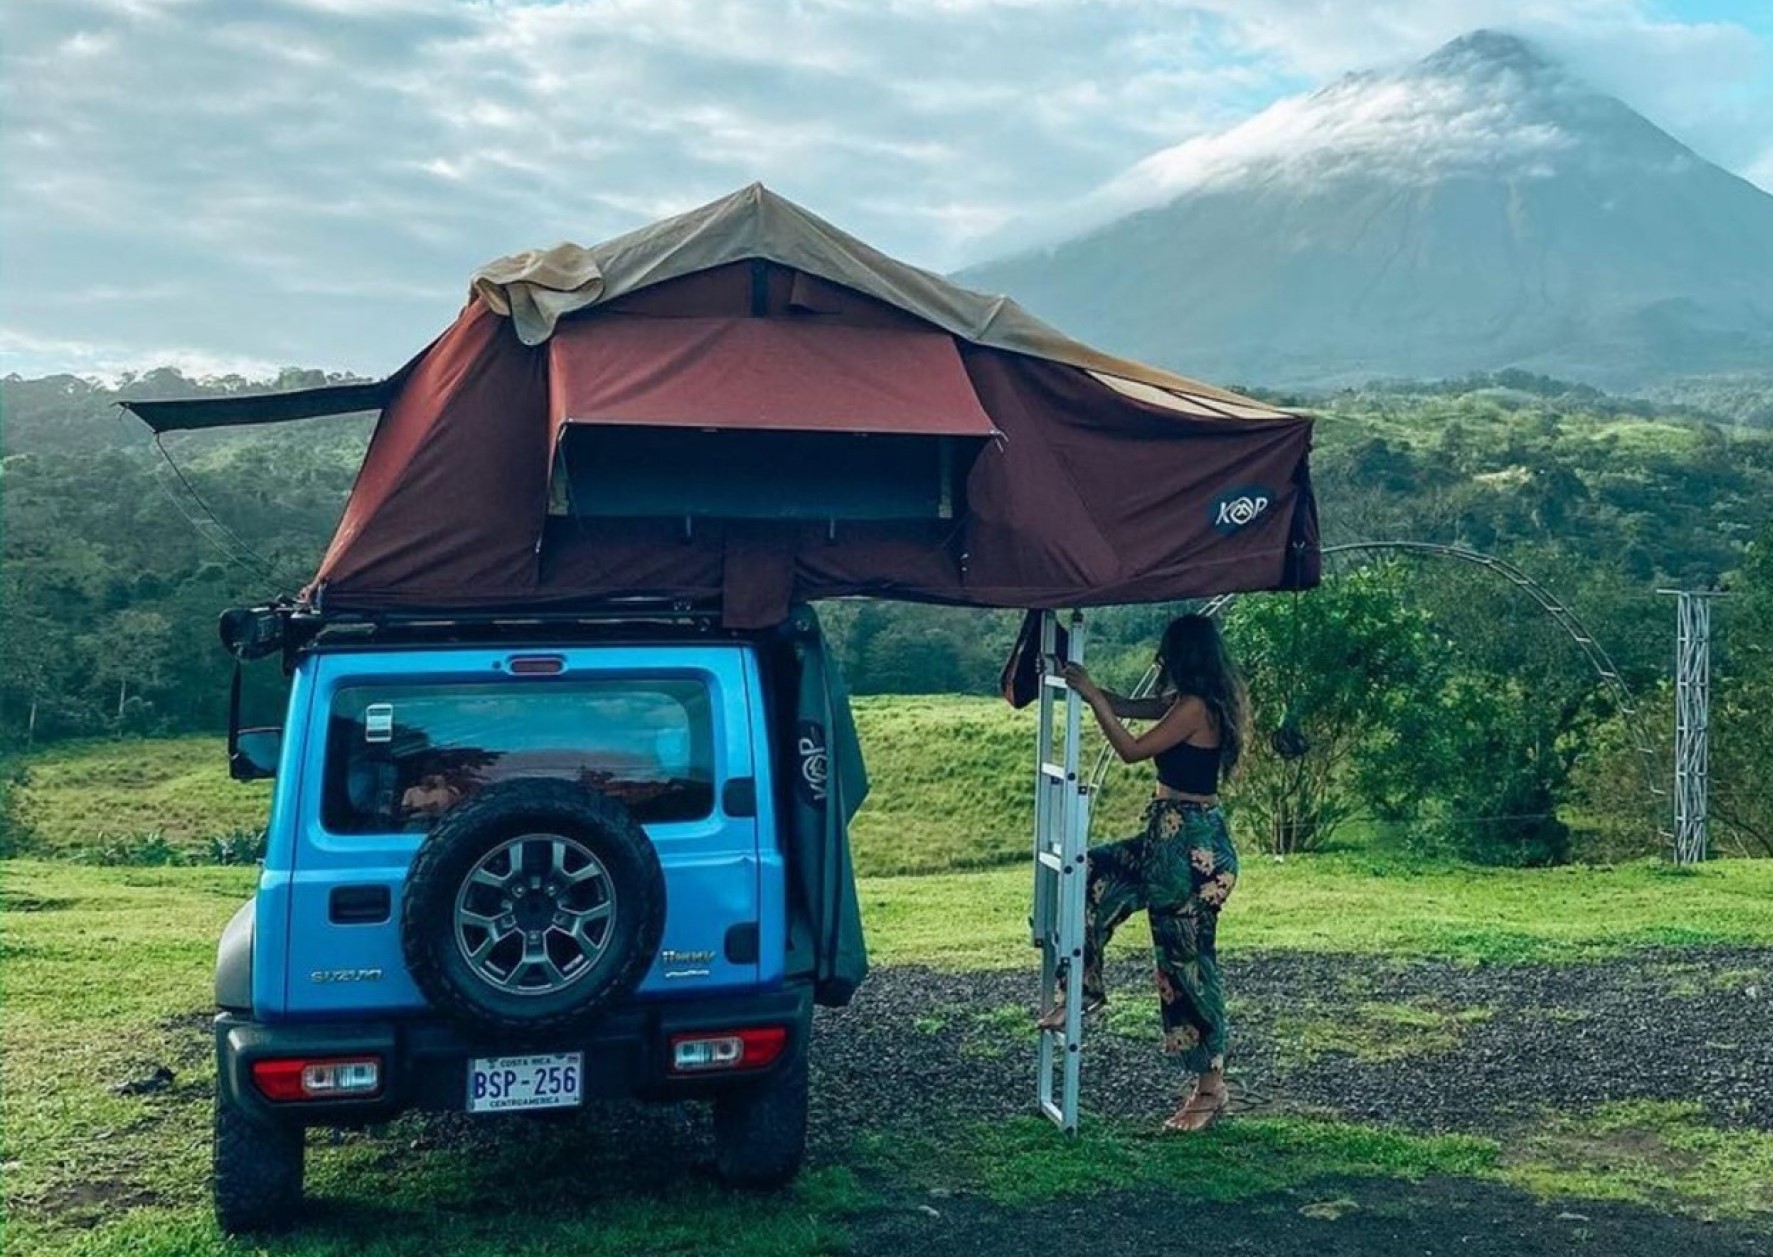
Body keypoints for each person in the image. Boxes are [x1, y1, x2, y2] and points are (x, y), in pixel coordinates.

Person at [1037, 613, 1247, 1133]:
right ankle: (1084, 990)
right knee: (1092, 873)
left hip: (1193, 851)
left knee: (1187, 966)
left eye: (1165, 653)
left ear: (1183, 656)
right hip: (1166, 841)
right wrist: (1094, 690)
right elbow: (1132, 707)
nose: (1159, 661)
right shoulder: (1186, 701)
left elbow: (1131, 751)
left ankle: (1210, 1088)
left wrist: (1093, 696)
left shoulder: (1196, 707)